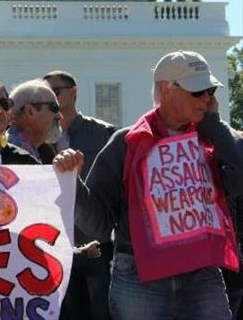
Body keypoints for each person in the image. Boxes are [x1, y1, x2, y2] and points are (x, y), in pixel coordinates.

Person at [55, 50, 243, 319]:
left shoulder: (213, 138)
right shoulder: (126, 143)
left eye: (210, 90)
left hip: (201, 273)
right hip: (140, 277)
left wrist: (214, 123)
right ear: (166, 90)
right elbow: (99, 224)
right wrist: (71, 181)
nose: (207, 98)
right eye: (197, 91)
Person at [43, 70, 117, 320]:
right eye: (45, 94)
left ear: (73, 92)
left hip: (96, 241)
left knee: (99, 311)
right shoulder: (39, 137)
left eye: (55, 91)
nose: (51, 99)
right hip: (54, 241)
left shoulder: (103, 133)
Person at [8, 79, 63, 164]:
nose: (60, 116)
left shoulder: (43, 151)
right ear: (30, 111)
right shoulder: (12, 154)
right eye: (54, 107)